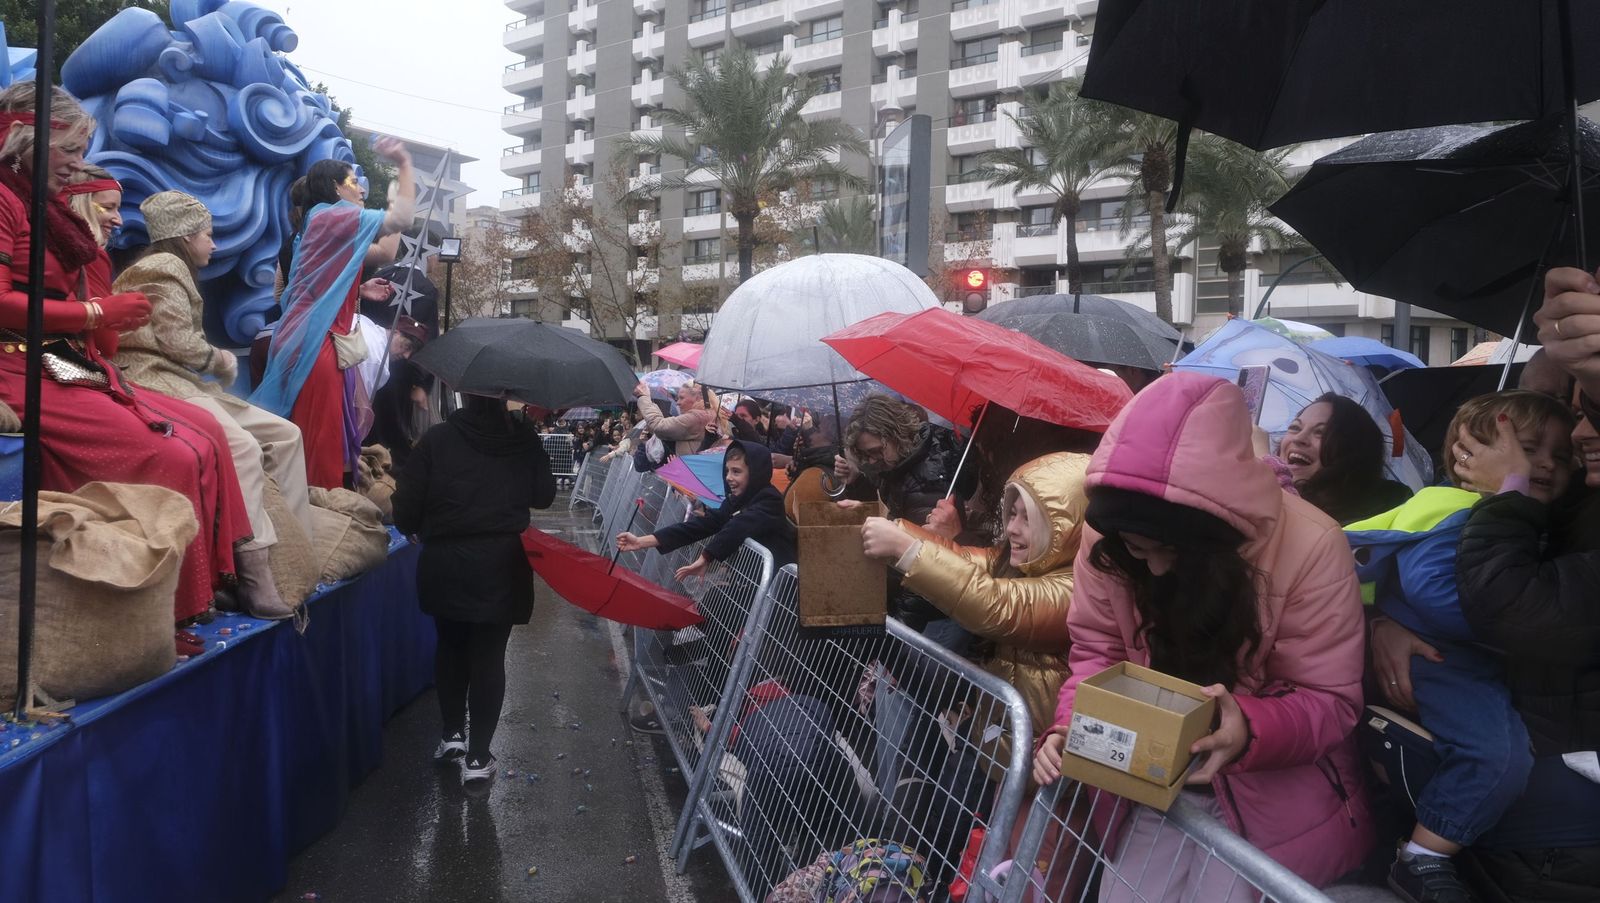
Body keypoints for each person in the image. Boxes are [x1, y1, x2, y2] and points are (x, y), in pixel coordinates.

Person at [1033, 372, 1373, 898]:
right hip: (1148, 780)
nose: (1156, 568)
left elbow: (1329, 698)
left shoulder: (1312, 544)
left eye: (1172, 550)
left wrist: (1248, 728)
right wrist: (1073, 725)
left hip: (1271, 799)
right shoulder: (1106, 533)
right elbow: (1098, 650)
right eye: (1137, 550)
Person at [0, 82, 253, 649]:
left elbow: (98, 336)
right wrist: (97, 313)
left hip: (58, 360)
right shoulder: (7, 201)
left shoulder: (39, 208)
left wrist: (102, 320)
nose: (77, 164)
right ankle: (162, 612)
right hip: (17, 367)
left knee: (201, 438)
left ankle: (208, 585)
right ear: (24, 139)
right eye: (70, 149)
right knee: (175, 450)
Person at [1348, 390, 1575, 903]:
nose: (1545, 464)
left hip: (1454, 657)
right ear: (1468, 455)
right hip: (1440, 659)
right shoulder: (1456, 509)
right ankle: (1422, 857)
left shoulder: (1517, 514)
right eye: (1528, 450)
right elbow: (1431, 589)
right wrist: (1516, 626)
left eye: (1561, 456)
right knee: (1497, 756)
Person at [113, 190, 317, 619]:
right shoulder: (163, 267)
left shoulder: (167, 268)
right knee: (241, 446)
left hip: (180, 380)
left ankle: (295, 553)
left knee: (286, 435)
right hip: (154, 381)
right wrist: (219, 360)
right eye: (208, 234)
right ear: (186, 236)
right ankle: (253, 572)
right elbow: (177, 342)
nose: (214, 243)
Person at [858, 452, 1089, 751]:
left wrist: (907, 550)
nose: (1012, 528)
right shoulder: (1019, 563)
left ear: (1067, 528)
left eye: (1029, 519)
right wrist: (890, 529)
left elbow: (997, 605)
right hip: (999, 739)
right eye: (1012, 513)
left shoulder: (1076, 588)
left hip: (1040, 756)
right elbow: (960, 557)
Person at [392, 394, 557, 784]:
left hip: (446, 561)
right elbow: (544, 495)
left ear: (465, 394)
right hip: (502, 563)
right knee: (488, 656)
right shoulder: (522, 439)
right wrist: (528, 438)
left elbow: (406, 506)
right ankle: (479, 758)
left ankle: (452, 734)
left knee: (450, 646)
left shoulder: (438, 438)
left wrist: (415, 525)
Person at [252, 144, 416, 489]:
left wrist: (356, 290)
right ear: (335, 187)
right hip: (319, 348)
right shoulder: (332, 216)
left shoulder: (317, 223)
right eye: (353, 181)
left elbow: (381, 253)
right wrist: (403, 163)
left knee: (315, 443)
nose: (360, 189)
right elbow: (401, 220)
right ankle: (316, 512)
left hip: (315, 343)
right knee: (318, 449)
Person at [616, 439, 795, 574]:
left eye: (736, 471)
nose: (728, 477)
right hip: (750, 578)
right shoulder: (736, 500)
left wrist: (706, 557)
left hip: (778, 591)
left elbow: (739, 525)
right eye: (727, 471)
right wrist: (642, 541)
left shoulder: (770, 499)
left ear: (755, 473)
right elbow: (702, 525)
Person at [1277, 392, 1413, 524]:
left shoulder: (1388, 507)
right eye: (1295, 427)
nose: (1299, 438)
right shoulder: (1269, 498)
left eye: (1321, 432)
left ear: (1352, 449)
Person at [363, 315, 433, 468]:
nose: (406, 356)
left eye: (411, 352)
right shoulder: (373, 356)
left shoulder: (399, 366)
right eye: (406, 346)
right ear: (395, 332)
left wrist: (422, 385)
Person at [633, 379, 721, 458]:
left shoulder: (696, 417)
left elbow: (659, 425)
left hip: (690, 469)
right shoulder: (709, 414)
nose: (677, 403)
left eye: (681, 398)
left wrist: (643, 397)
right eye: (677, 398)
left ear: (698, 398)